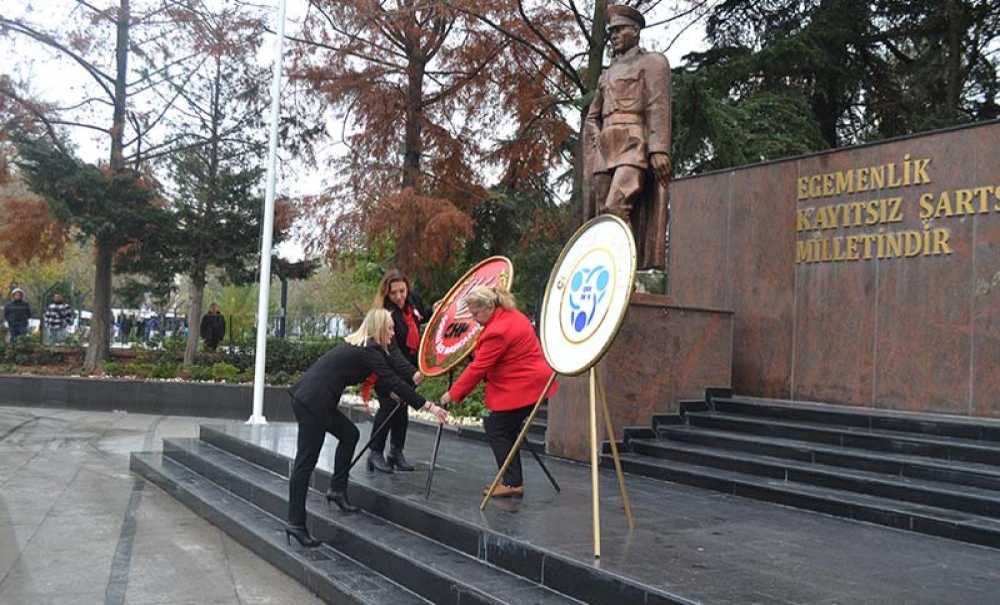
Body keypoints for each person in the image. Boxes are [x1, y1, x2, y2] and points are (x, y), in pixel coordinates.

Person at [285, 308, 449, 548]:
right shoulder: (368, 350)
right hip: (313, 403)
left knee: (349, 435)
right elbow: (391, 380)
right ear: (380, 329)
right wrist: (429, 406)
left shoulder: (369, 347)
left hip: (314, 399)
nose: (393, 333)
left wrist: (419, 374)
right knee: (305, 462)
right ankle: (295, 524)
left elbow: (393, 371)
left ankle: (337, 490)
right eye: (390, 328)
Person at [440, 286, 558, 498]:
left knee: (497, 427)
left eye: (476, 314)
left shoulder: (498, 331)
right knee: (506, 429)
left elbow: (479, 367)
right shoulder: (511, 315)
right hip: (532, 381)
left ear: (489, 307)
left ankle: (512, 483)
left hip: (524, 384)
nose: (474, 319)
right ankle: (512, 480)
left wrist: (453, 393)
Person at [584, 4, 671, 270]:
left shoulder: (653, 63)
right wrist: (596, 141)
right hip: (605, 147)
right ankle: (606, 268)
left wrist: (659, 149)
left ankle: (623, 271)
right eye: (611, 31)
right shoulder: (606, 73)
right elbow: (592, 116)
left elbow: (658, 105)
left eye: (620, 30)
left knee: (616, 207)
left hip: (634, 142)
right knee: (601, 215)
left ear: (635, 31)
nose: (614, 35)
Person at [365, 269, 434, 473]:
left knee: (402, 408)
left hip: (410, 364)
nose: (399, 296)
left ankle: (396, 452)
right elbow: (392, 351)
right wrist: (412, 372)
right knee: (388, 406)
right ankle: (375, 452)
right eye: (393, 293)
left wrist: (435, 309)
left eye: (402, 291)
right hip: (387, 365)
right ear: (386, 293)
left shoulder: (412, 300)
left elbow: (422, 317)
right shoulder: (385, 312)